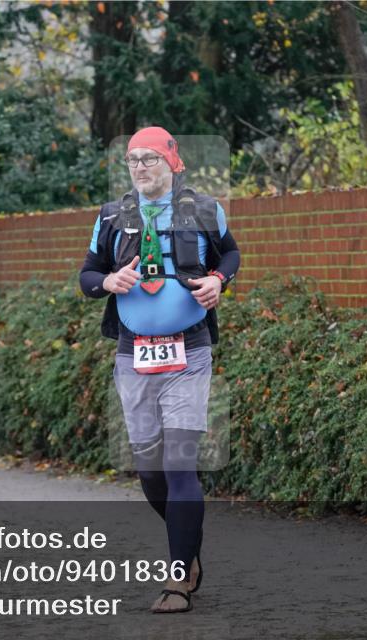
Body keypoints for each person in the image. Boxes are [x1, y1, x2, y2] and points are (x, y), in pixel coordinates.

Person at [79, 127, 240, 613]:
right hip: (134, 355)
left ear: (173, 161)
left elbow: (230, 253)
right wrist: (107, 279)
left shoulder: (205, 209)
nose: (142, 167)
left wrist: (218, 280)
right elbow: (86, 275)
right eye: (133, 160)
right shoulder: (111, 217)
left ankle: (176, 580)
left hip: (188, 354)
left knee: (179, 463)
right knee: (150, 472)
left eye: (151, 158)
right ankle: (187, 543)